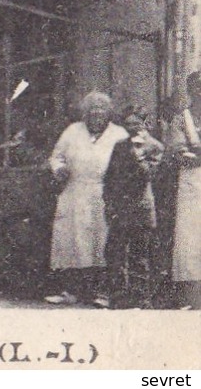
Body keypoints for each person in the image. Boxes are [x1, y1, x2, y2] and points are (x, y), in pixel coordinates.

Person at [45, 91, 127, 307]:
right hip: (74, 191)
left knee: (101, 242)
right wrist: (59, 168)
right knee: (72, 241)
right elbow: (56, 156)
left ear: (108, 113)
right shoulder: (72, 131)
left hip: (104, 193)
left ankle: (102, 293)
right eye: (92, 109)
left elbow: (129, 165)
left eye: (101, 109)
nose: (96, 114)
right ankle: (71, 291)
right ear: (85, 113)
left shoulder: (118, 134)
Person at [103, 108, 162, 309]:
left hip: (141, 208)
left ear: (145, 124)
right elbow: (109, 177)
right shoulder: (119, 146)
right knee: (114, 253)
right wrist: (109, 203)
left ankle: (140, 298)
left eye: (136, 124)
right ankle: (118, 297)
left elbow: (150, 176)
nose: (131, 129)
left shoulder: (155, 147)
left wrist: (138, 156)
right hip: (120, 207)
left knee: (139, 255)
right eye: (127, 125)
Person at [169, 71, 201, 308]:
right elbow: (179, 152)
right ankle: (191, 295)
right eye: (196, 87)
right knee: (190, 236)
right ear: (190, 91)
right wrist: (189, 154)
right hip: (191, 183)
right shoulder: (182, 119)